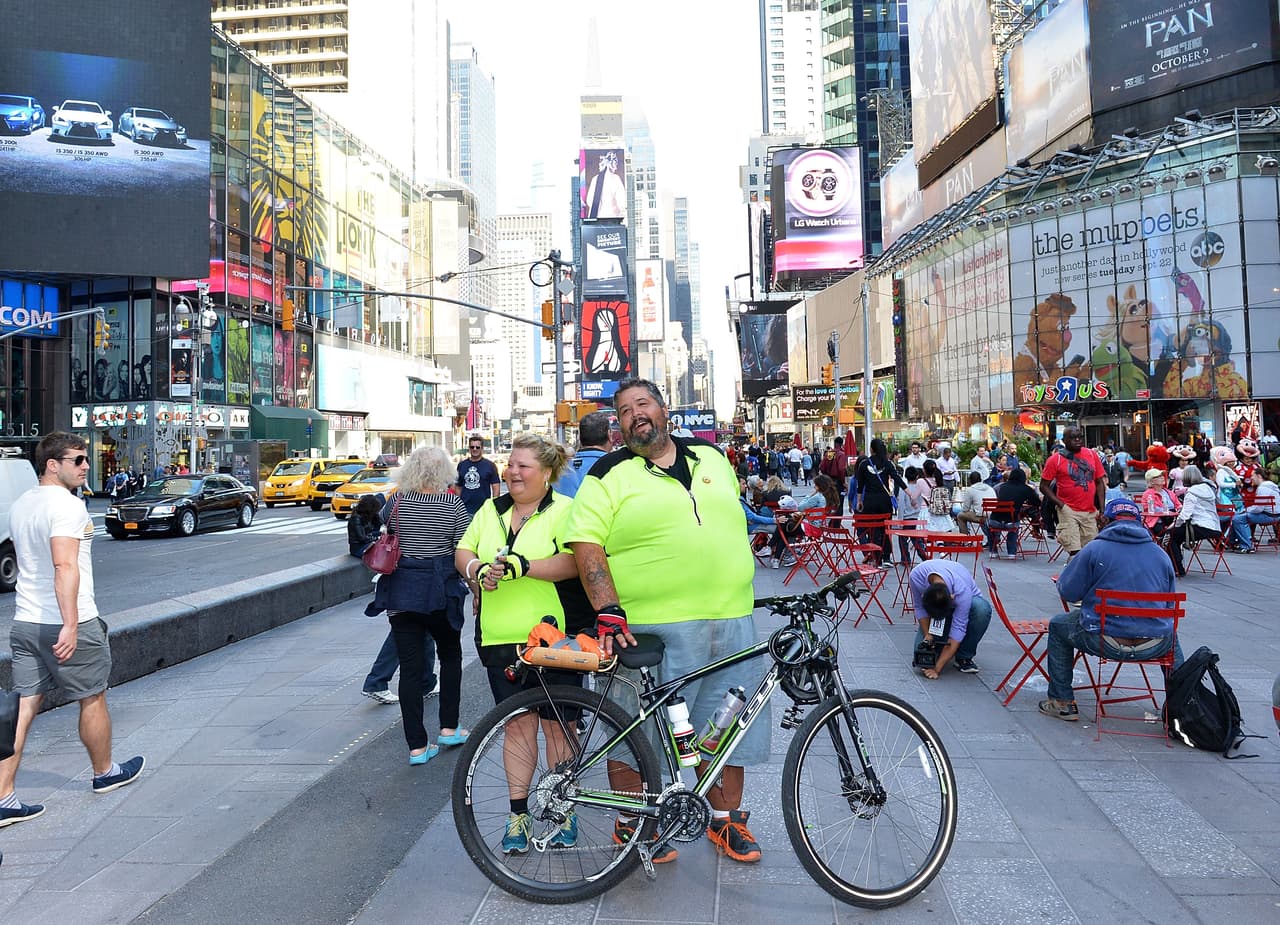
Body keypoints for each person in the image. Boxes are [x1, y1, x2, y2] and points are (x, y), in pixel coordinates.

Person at [565, 378, 767, 864]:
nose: (636, 414)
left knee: (728, 727)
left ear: (664, 408)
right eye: (625, 410)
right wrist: (607, 609)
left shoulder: (712, 458)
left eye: (643, 403)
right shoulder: (608, 474)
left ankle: (727, 823)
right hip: (649, 631)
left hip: (732, 620)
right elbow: (586, 544)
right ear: (618, 425)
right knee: (637, 732)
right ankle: (634, 823)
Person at [455, 432, 592, 854]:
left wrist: (524, 565)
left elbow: (575, 562)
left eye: (523, 466)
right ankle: (518, 816)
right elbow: (462, 550)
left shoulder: (566, 510)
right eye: (510, 464)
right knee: (517, 725)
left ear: (547, 472)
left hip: (555, 639)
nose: (512, 472)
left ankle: (564, 810)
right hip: (499, 638)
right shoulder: (491, 510)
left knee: (559, 726)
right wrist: (477, 569)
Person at [1, 433, 145, 827]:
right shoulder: (66, 507)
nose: (86, 466)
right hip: (68, 620)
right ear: (52, 464)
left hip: (26, 621)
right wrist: (69, 625)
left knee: (23, 707)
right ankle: (105, 772)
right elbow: (64, 566)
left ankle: (4, 797)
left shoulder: (21, 504)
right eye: (78, 459)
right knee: (92, 697)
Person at [364, 446, 469, 765]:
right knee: (450, 656)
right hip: (440, 592)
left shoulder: (396, 502)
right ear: (444, 472)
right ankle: (449, 727)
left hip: (402, 593)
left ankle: (417, 747)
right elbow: (462, 547)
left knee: (409, 668)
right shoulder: (453, 505)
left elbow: (386, 526)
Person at [1040, 498, 1184, 721]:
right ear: (1140, 522)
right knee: (1171, 636)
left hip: (1104, 639)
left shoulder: (1094, 549)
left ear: (1105, 520)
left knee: (1058, 625)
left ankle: (1062, 701)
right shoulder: (1160, 555)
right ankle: (1181, 706)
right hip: (1154, 644)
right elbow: (1168, 605)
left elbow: (1068, 592)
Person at [348, 492, 437, 706]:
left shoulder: (398, 500)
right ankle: (377, 681)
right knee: (404, 633)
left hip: (405, 577)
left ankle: (426, 682)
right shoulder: (415, 501)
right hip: (411, 578)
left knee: (423, 632)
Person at [909, 558, 992, 678]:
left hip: (970, 603)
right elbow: (919, 608)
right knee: (921, 657)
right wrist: (928, 634)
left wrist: (936, 669)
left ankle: (963, 656)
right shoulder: (916, 576)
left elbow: (958, 630)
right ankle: (939, 646)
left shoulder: (961, 591)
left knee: (981, 609)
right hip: (939, 603)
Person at [1039, 426, 1106, 558]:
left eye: (1079, 437)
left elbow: (1099, 483)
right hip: (1068, 510)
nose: (1077, 440)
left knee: (1090, 551)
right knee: (1075, 552)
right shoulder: (1055, 459)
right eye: (1073, 438)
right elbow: (1043, 486)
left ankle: (1079, 577)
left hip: (1090, 511)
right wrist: (1061, 504)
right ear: (1064, 440)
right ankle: (1074, 576)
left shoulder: (1092, 455)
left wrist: (1102, 509)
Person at [853, 438, 907, 564]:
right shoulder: (887, 463)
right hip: (884, 501)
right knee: (885, 529)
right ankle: (887, 557)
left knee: (872, 529)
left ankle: (876, 557)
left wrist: (859, 501)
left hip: (870, 501)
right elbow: (896, 478)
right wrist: (909, 491)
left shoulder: (864, 464)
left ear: (872, 449)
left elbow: (860, 486)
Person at [1167, 465, 1220, 578]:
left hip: (1200, 526)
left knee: (1171, 536)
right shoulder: (1208, 489)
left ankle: (1177, 567)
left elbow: (1185, 515)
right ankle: (1177, 564)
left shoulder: (1191, 493)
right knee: (1178, 535)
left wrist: (1174, 526)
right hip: (1214, 527)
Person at [987, 468, 1042, 556]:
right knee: (1014, 525)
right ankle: (1011, 553)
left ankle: (993, 551)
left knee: (989, 524)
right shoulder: (1025, 488)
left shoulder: (1002, 486)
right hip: (1011, 522)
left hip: (995, 521)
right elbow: (1037, 502)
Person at [1230, 471, 1279, 553]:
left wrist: (1246, 510)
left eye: (1253, 475)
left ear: (1259, 476)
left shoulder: (1263, 488)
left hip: (1268, 516)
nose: (1251, 478)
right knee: (1240, 516)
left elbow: (1259, 508)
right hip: (1275, 515)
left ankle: (1246, 545)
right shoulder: (1271, 487)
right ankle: (1235, 542)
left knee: (1237, 518)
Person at [455, 435, 500, 517]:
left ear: (482, 448)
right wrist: (459, 505)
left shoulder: (490, 465)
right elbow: (458, 487)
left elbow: (496, 487)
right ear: (469, 448)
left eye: (477, 447)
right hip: (465, 510)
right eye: (472, 447)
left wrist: (494, 506)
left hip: (484, 510)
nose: (474, 449)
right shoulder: (462, 465)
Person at [1139, 469, 1180, 543]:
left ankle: (1168, 536)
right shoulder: (1148, 494)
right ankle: (1165, 536)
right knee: (1172, 532)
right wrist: (1171, 512)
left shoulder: (1169, 492)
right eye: (1158, 476)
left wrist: (1180, 509)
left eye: (1162, 476)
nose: (1162, 477)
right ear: (1151, 481)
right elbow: (1154, 509)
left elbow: (1178, 505)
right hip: (1157, 521)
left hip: (1172, 519)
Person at [955, 471, 996, 537]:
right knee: (982, 513)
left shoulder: (970, 490)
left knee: (960, 515)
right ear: (980, 479)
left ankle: (965, 539)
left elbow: (965, 509)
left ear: (970, 480)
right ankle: (993, 538)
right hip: (994, 516)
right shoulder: (990, 488)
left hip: (982, 517)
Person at [818, 437, 849, 510]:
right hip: (838, 482)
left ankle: (830, 519)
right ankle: (837, 520)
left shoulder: (830, 453)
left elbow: (822, 467)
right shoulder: (841, 454)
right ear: (841, 444)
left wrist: (826, 476)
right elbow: (841, 469)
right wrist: (843, 482)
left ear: (834, 443)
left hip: (828, 481)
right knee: (838, 503)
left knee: (830, 502)